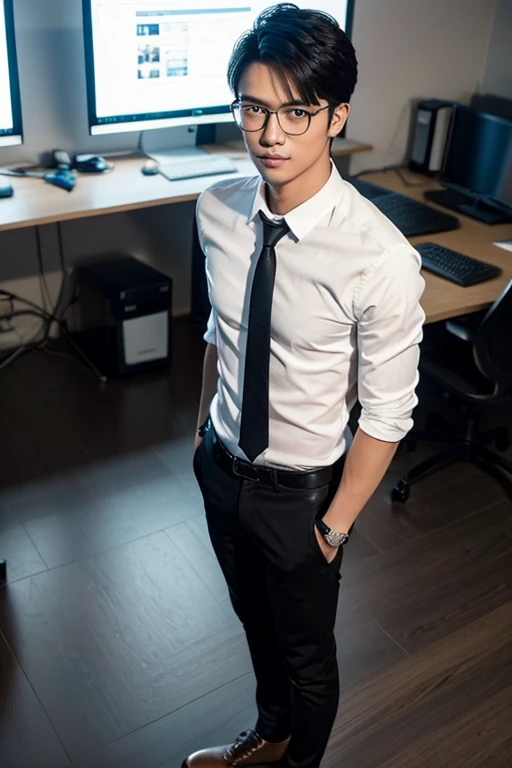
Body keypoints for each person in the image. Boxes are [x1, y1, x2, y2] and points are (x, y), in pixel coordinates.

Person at [185, 4, 425, 768]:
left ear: (337, 115)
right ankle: (270, 730)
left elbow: (388, 413)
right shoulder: (215, 209)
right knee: (252, 619)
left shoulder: (378, 257)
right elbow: (221, 332)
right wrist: (201, 435)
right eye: (253, 108)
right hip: (222, 468)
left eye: (297, 111)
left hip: (303, 499)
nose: (271, 133)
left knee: (309, 659)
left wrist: (334, 528)